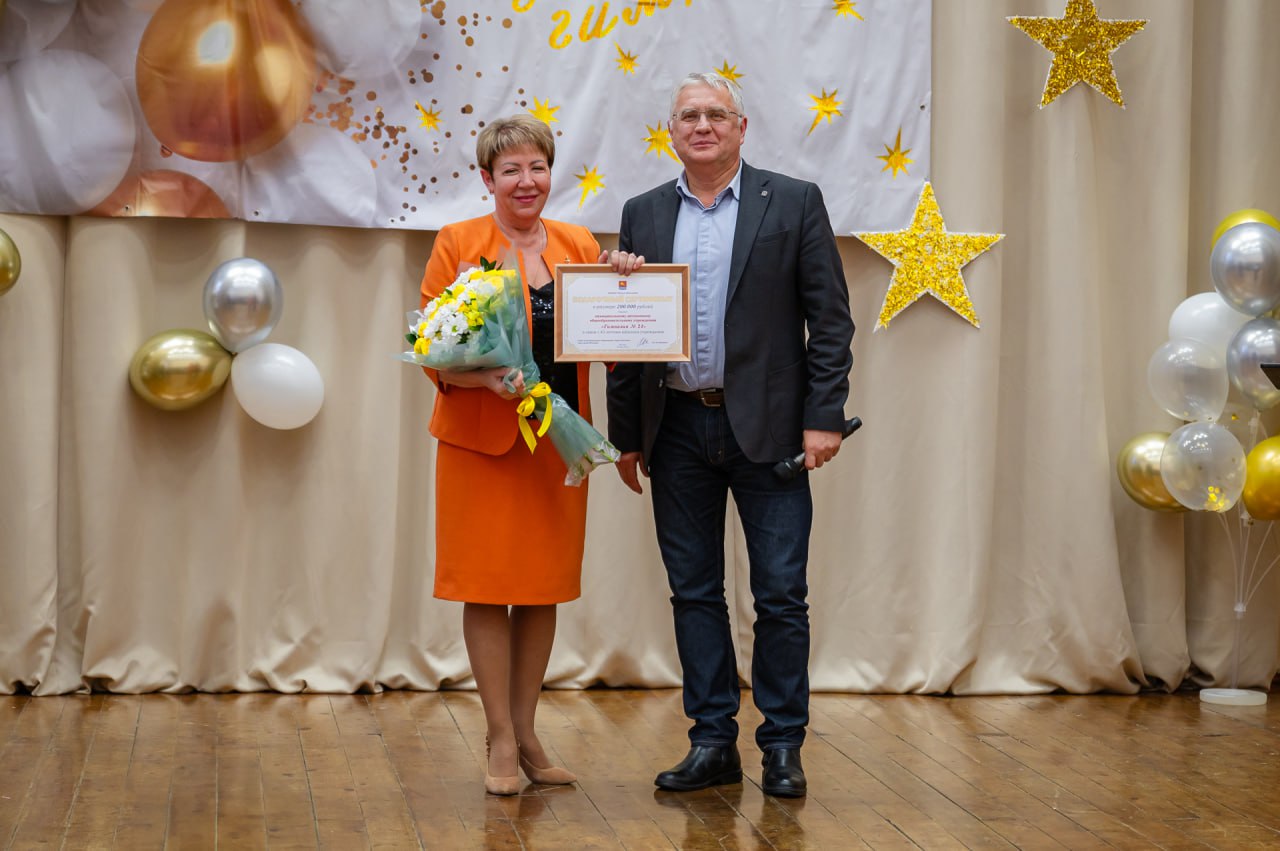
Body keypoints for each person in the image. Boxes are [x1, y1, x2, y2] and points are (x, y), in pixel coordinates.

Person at [605, 72, 854, 798]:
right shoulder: (643, 212)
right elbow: (626, 336)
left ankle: (782, 745)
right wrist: (627, 435)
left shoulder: (795, 201)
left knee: (780, 595)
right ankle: (712, 740)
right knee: (693, 592)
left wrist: (824, 415)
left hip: (772, 431)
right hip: (676, 428)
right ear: (672, 132)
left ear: (741, 128)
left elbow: (830, 321)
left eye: (717, 113)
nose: (703, 125)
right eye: (689, 115)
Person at [420, 114, 641, 796]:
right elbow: (430, 350)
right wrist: (480, 378)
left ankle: (528, 730)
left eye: (536, 167)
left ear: (550, 173)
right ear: (487, 179)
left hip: (557, 443)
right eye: (510, 169)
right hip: (480, 448)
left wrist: (625, 281)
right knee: (487, 588)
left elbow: (614, 340)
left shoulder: (580, 242)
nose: (526, 180)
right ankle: (499, 735)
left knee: (542, 589)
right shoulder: (458, 242)